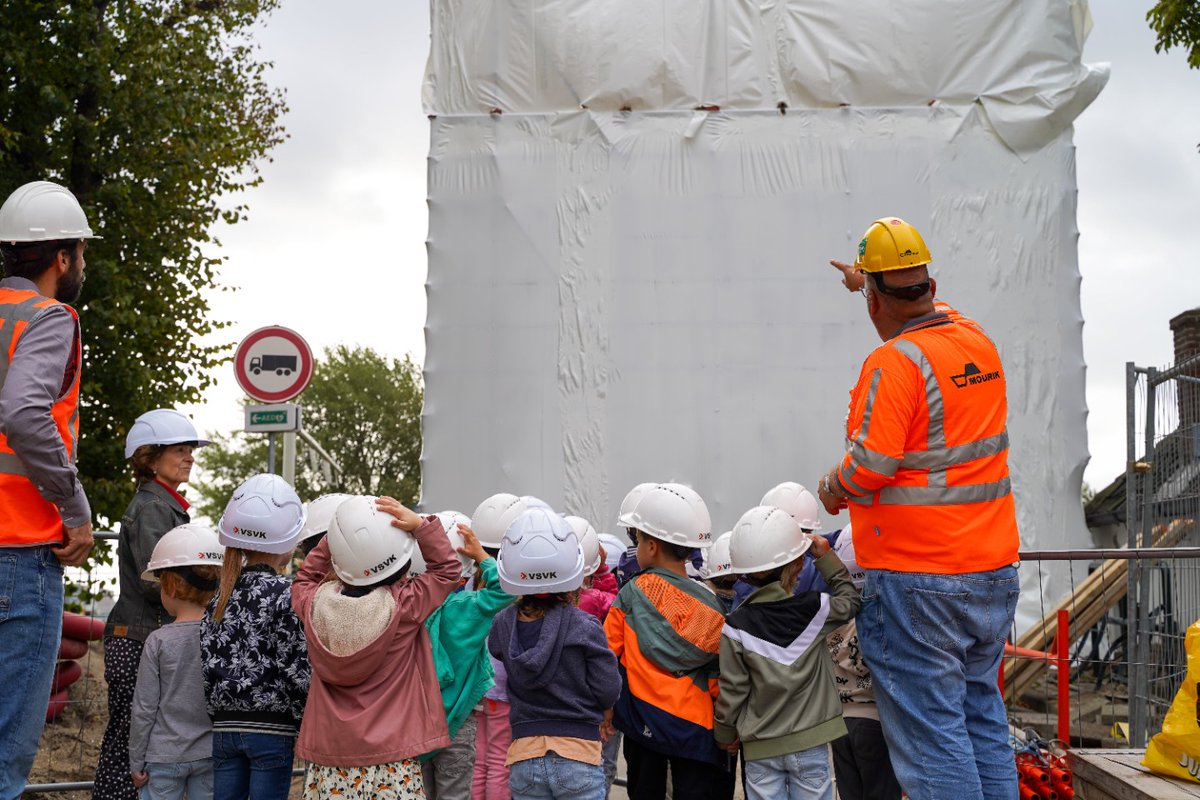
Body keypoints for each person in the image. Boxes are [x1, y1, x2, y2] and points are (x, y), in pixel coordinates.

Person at [817, 217, 1021, 800]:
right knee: (980, 717)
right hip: (990, 574)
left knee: (933, 740)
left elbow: (872, 467)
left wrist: (831, 486)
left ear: (879, 298)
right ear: (927, 286)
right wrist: (872, 281)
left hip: (920, 580)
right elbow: (930, 304)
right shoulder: (974, 341)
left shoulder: (895, 363)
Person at [0, 180, 97, 798]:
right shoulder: (49, 317)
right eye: (81, 252)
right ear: (61, 257)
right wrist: (75, 509)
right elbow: (24, 413)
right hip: (19, 552)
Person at [290, 495, 460, 800]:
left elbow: (304, 579)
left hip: (331, 759)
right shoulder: (404, 607)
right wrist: (422, 527)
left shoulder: (315, 604)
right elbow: (448, 571)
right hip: (392, 757)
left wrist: (336, 537)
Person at [96, 409, 210, 800]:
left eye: (190, 450)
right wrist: (207, 589)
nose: (190, 457)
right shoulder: (154, 509)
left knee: (136, 740)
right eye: (180, 449)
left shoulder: (164, 506)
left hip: (143, 634)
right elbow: (158, 580)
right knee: (130, 743)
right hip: (137, 636)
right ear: (150, 456)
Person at [714, 506, 860, 800]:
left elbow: (732, 690)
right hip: (811, 742)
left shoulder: (735, 626)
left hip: (761, 747)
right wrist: (826, 558)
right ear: (796, 565)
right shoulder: (816, 608)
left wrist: (725, 734)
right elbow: (851, 600)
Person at [604, 483, 728, 800]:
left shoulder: (630, 594)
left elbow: (607, 659)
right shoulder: (711, 604)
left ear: (652, 547)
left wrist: (605, 710)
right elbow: (719, 673)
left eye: (640, 538)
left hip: (641, 720)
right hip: (695, 725)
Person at [488, 506, 621, 800]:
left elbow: (497, 650)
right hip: (578, 754)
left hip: (523, 756)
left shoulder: (502, 625)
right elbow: (607, 685)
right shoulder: (585, 626)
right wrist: (607, 707)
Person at [202, 474, 311, 800]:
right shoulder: (287, 594)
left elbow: (207, 667)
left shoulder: (219, 597)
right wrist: (305, 716)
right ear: (288, 544)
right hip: (271, 728)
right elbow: (295, 667)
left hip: (224, 726)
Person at [417, 512, 516, 800]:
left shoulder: (412, 604)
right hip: (459, 723)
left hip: (418, 724)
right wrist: (484, 557)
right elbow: (506, 589)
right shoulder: (468, 607)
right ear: (465, 568)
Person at [128, 524, 224, 800]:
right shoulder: (222, 636)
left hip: (163, 756)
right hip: (210, 752)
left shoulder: (158, 641)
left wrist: (136, 761)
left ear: (172, 586)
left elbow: (144, 708)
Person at [822, 526, 901, 800]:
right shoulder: (883, 620)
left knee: (850, 792)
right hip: (875, 721)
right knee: (880, 790)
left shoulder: (833, 614)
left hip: (840, 721)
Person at [469, 493, 531, 800]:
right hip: (503, 690)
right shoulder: (515, 588)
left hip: (476, 687)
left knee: (478, 761)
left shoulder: (471, 583)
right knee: (498, 763)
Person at [566, 516, 620, 797]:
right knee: (603, 761)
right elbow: (616, 601)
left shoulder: (548, 601)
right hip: (597, 696)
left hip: (565, 698)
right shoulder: (595, 598)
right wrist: (603, 571)